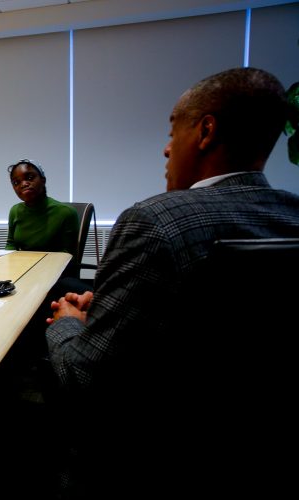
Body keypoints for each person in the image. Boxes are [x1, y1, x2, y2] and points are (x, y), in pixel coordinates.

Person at [45, 67, 299, 498]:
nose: (166, 149)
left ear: (205, 131)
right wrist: (109, 310)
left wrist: (69, 321)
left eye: (171, 130)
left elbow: (88, 377)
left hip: (144, 464)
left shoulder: (154, 221)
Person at [5, 159, 79, 255]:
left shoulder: (67, 213)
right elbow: (11, 244)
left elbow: (68, 255)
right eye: (16, 183)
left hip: (54, 268)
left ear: (43, 180)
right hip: (23, 266)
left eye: (30, 178)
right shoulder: (15, 211)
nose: (23, 184)